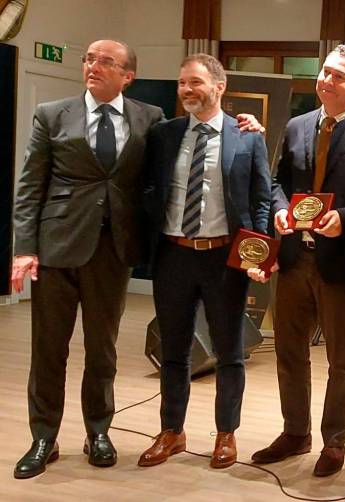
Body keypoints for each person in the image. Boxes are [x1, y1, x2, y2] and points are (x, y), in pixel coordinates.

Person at [10, 39, 164, 479]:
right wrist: (24, 247)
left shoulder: (149, 118)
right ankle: (44, 437)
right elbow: (29, 186)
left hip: (113, 251)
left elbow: (180, 151)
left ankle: (99, 430)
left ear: (127, 75)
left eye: (106, 62)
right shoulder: (52, 114)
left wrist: (241, 126)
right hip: (58, 246)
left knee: (102, 350)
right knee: (48, 349)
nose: (93, 66)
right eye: (89, 59)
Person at [250, 44, 345, 477]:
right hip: (296, 259)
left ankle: (335, 442)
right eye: (325, 72)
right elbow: (277, 181)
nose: (328, 81)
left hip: (343, 266)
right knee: (289, 351)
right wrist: (277, 208)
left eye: (340, 76)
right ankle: (296, 432)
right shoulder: (296, 126)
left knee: (341, 361)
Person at [137, 53, 271, 469]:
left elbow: (261, 199)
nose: (186, 91)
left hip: (223, 260)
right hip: (173, 256)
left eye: (195, 82)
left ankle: (226, 435)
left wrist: (259, 251)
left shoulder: (248, 137)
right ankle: (172, 431)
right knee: (174, 351)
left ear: (219, 86)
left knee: (229, 353)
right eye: (181, 83)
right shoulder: (165, 134)